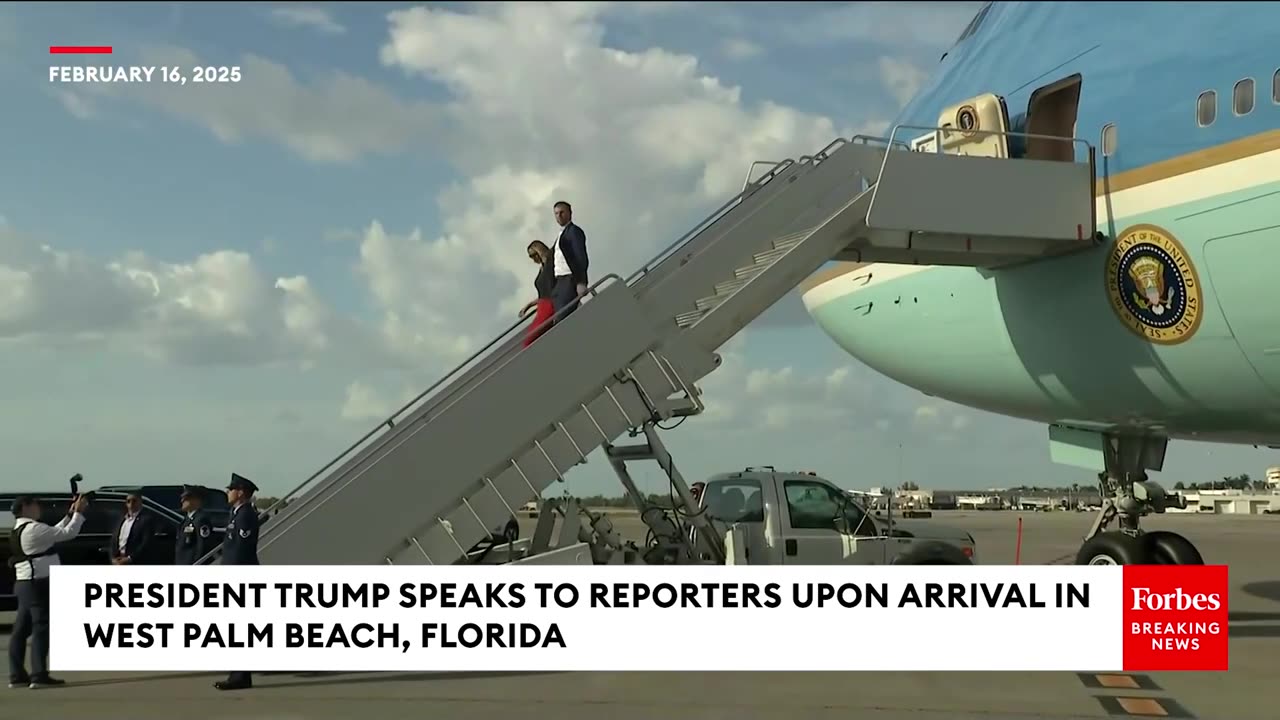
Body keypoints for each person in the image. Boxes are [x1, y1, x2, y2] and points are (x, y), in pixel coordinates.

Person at [8, 493, 88, 689]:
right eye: (36, 504)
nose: (39, 508)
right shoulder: (34, 528)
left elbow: (54, 531)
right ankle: (39, 675)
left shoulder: (21, 528)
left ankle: (17, 675)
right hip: (39, 584)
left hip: (25, 583)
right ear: (26, 507)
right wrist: (78, 513)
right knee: (41, 627)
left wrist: (69, 514)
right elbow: (67, 534)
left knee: (21, 629)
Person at [214, 473, 260, 692]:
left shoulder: (245, 515)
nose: (227, 492)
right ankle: (237, 674)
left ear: (240, 492)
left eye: (231, 489)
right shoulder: (236, 514)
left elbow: (242, 550)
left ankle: (241, 676)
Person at [550, 200, 589, 320]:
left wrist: (581, 282)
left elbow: (580, 258)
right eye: (556, 213)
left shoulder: (574, 232)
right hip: (559, 281)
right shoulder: (561, 235)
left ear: (569, 213)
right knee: (559, 317)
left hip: (569, 278)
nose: (559, 216)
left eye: (562, 212)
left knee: (563, 317)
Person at [519, 240, 557, 347]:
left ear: (538, 252)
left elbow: (550, 290)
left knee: (529, 341)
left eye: (532, 255)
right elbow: (543, 293)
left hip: (549, 305)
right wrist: (530, 305)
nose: (533, 259)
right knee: (528, 340)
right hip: (542, 306)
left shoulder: (551, 263)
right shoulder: (542, 268)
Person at [109, 491, 156, 566]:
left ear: (140, 502)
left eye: (134, 501)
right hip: (119, 560)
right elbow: (114, 540)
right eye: (128, 501)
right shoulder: (122, 519)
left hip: (134, 561)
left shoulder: (146, 520)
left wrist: (130, 558)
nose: (131, 504)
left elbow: (146, 543)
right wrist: (113, 558)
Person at [174, 485, 214, 566]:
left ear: (196, 500)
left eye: (186, 499)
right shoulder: (187, 520)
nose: (182, 501)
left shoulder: (201, 520)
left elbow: (203, 546)